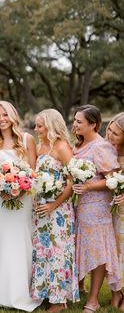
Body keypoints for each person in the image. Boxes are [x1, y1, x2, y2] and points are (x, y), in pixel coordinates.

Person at [0, 100, 41, 312]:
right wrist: (2, 190)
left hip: (24, 199)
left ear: (12, 115)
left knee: (21, 238)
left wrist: (21, 190)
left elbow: (33, 173)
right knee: (1, 238)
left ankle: (22, 290)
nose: (1, 119)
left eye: (4, 114)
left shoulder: (27, 139)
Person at [72, 105, 121, 312]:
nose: (75, 124)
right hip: (79, 206)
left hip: (96, 208)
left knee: (98, 253)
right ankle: (79, 288)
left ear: (93, 124)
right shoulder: (81, 144)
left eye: (79, 121)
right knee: (81, 249)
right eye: (74, 120)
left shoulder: (101, 147)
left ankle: (93, 300)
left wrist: (89, 185)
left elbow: (113, 181)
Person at [31, 109, 79, 312]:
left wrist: (54, 204)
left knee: (58, 251)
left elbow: (72, 182)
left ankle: (59, 300)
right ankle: (45, 293)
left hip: (59, 210)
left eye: (39, 126)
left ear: (50, 126)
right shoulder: (41, 146)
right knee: (43, 251)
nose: (36, 129)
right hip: (41, 208)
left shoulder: (62, 147)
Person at [106, 112, 124, 310]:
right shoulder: (107, 148)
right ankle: (115, 292)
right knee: (114, 251)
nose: (110, 135)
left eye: (116, 134)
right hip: (111, 208)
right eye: (109, 130)